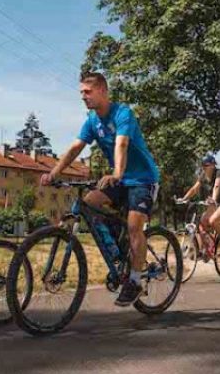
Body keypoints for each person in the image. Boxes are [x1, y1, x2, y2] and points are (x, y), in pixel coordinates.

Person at [40, 72, 161, 307]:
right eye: (81, 93)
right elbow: (76, 147)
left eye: (88, 92)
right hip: (119, 178)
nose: (83, 97)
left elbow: (122, 143)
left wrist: (117, 172)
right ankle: (119, 251)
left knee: (135, 225)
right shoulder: (92, 121)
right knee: (89, 203)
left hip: (142, 178)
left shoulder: (122, 113)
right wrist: (54, 172)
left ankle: (135, 281)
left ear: (103, 91)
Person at [179, 155, 220, 255]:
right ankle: (207, 247)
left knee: (213, 221)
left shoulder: (218, 173)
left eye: (206, 165)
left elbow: (216, 187)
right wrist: (183, 199)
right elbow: (194, 189)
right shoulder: (203, 175)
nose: (204, 167)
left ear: (213, 165)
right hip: (214, 204)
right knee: (201, 222)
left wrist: (213, 199)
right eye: (202, 165)